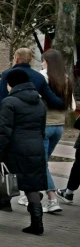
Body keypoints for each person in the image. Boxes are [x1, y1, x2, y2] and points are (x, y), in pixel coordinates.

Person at [0, 69, 49, 234]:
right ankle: (37, 223)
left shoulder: (9, 102)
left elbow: (5, 132)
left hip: (14, 148)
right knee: (32, 185)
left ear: (12, 84)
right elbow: (42, 129)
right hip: (36, 147)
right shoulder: (39, 102)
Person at [38, 49, 74, 213]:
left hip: (44, 125)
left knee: (40, 163)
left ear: (47, 62)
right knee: (42, 162)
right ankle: (33, 193)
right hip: (59, 127)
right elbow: (72, 106)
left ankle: (52, 199)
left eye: (43, 60)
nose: (41, 63)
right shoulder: (66, 79)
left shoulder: (43, 77)